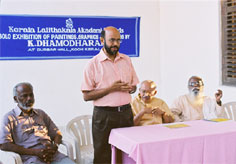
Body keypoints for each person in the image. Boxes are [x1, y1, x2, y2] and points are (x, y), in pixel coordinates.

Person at [81, 26, 139, 163]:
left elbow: (134, 86)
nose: (115, 44)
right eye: (112, 40)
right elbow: (86, 96)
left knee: (127, 153)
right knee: (103, 155)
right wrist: (111, 88)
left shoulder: (126, 60)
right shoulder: (93, 64)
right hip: (104, 116)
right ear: (102, 40)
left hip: (126, 113)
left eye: (118, 40)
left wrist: (131, 88)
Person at [0, 82, 75, 164]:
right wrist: (35, 152)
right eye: (24, 96)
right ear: (15, 99)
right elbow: (4, 145)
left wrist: (55, 147)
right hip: (31, 158)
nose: (29, 98)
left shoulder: (41, 114)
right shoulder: (9, 118)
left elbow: (57, 133)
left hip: (53, 156)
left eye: (31, 95)